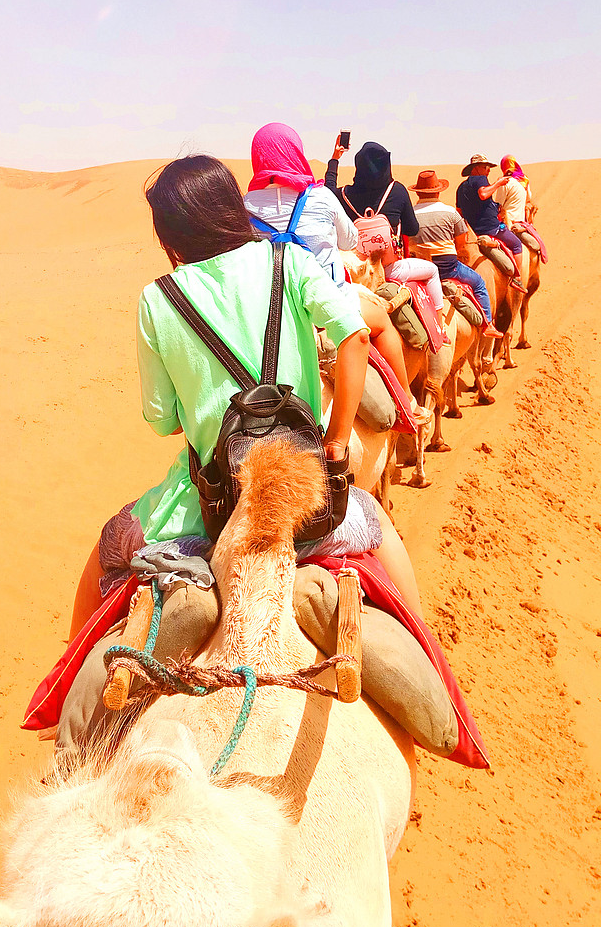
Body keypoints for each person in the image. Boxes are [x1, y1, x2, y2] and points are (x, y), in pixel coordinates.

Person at [68, 155, 426, 636]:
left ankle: (59, 699)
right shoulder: (289, 261)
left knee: (108, 548)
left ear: (171, 236)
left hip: (208, 508)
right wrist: (336, 444)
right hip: (309, 499)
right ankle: (431, 660)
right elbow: (357, 336)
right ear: (231, 211)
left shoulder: (158, 298)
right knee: (381, 531)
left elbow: (163, 421)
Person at [243, 123, 410, 397]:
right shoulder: (321, 197)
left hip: (273, 313)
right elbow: (350, 242)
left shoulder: (244, 205)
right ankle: (407, 402)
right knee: (382, 323)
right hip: (329, 306)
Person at [325, 140, 445, 319]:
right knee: (433, 271)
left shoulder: (343, 195)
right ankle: (440, 326)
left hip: (358, 273)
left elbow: (327, 192)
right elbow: (412, 229)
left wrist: (335, 159)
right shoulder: (396, 190)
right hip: (390, 269)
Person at [408, 169, 495, 325]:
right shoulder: (451, 212)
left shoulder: (410, 214)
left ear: (418, 193)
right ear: (438, 192)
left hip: (418, 269)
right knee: (479, 283)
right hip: (449, 268)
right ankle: (487, 324)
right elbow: (461, 244)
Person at [457, 154, 526, 287]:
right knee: (517, 244)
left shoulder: (461, 187)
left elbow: (459, 211)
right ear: (476, 169)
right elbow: (483, 194)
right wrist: (498, 183)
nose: (488, 170)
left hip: (471, 231)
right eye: (485, 167)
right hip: (490, 228)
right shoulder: (480, 179)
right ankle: (517, 279)